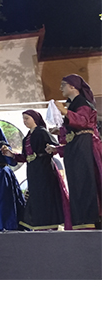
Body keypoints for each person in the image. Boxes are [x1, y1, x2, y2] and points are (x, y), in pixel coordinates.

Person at [46, 74, 102, 230]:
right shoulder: (73, 105)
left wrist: (64, 112)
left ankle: (91, 218)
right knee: (77, 182)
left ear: (73, 86)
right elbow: (73, 132)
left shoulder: (82, 103)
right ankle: (82, 219)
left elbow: (83, 122)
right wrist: (60, 132)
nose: (60, 88)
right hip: (77, 148)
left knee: (86, 181)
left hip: (85, 148)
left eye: (63, 84)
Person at [1, 110, 71, 231]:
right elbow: (25, 157)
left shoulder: (42, 132)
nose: (25, 121)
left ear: (35, 119)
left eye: (27, 118)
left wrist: (51, 149)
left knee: (46, 194)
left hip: (44, 169)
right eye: (23, 119)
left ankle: (50, 222)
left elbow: (54, 146)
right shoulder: (27, 137)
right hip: (33, 170)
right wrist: (12, 155)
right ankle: (39, 223)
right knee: (36, 195)